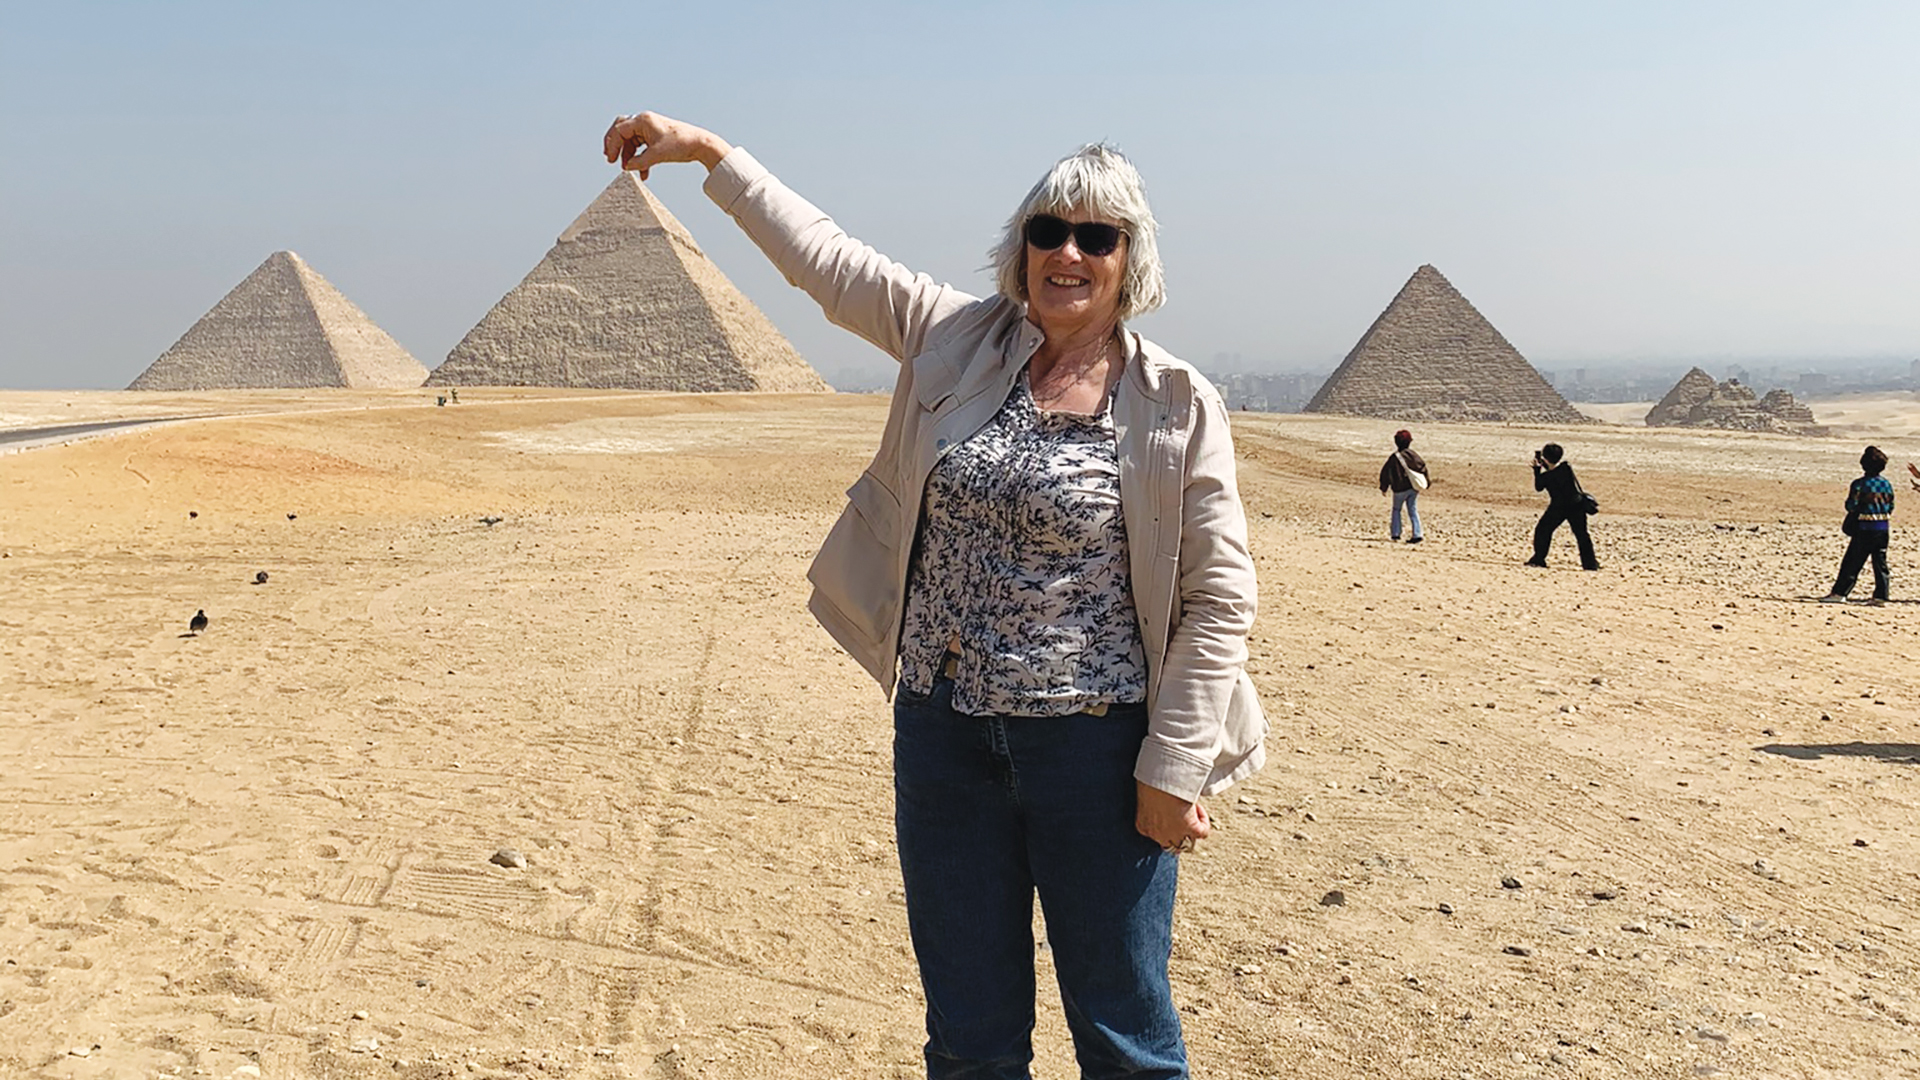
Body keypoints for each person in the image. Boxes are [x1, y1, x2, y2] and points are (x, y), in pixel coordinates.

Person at [603, 112, 1265, 1079]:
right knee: (968, 1036)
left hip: (1095, 750)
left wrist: (1172, 769)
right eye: (1048, 230)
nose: (1068, 253)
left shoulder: (1175, 401)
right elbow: (826, 261)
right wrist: (712, 156)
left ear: (1132, 260)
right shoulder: (955, 338)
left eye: (1097, 237)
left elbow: (1216, 599)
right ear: (1021, 247)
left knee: (1124, 1036)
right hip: (945, 735)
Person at [1820, 446, 1894, 604]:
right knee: (1880, 563)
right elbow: (1890, 506)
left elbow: (1851, 505)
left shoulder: (1859, 484)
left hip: (1864, 527)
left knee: (1852, 561)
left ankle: (1840, 593)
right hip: (1882, 527)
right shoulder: (1886, 484)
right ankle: (1881, 596)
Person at [1526, 443, 1598, 570]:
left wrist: (1537, 470)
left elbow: (1539, 487)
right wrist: (1546, 466)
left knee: (1543, 530)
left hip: (1558, 507)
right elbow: (1556, 473)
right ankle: (1590, 564)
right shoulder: (1566, 468)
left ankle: (1539, 558)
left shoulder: (1547, 477)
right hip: (1576, 505)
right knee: (1582, 535)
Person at [1378, 428, 1428, 543]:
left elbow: (1385, 472)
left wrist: (1384, 486)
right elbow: (1423, 468)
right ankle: (1417, 534)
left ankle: (1396, 534)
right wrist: (1426, 482)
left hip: (1399, 489)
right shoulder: (1414, 455)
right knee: (1413, 510)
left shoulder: (1394, 457)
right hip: (1413, 488)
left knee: (1396, 509)